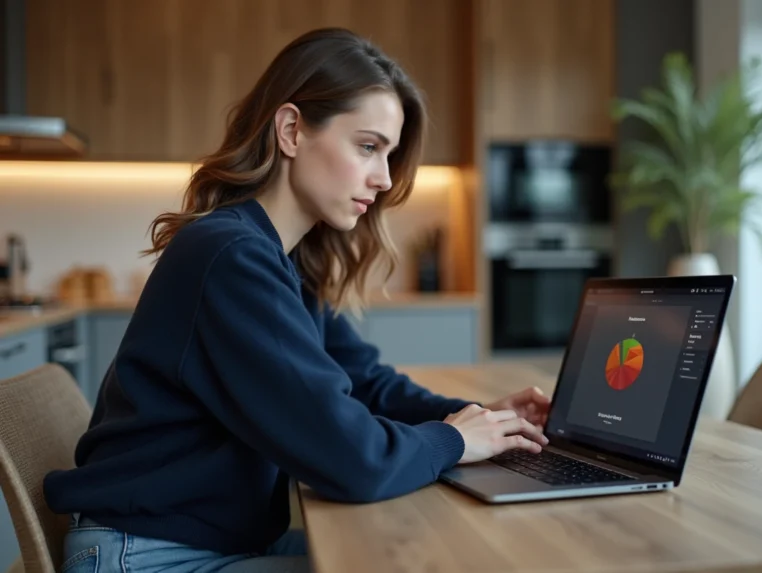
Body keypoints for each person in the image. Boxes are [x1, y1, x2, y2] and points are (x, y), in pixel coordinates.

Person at [43, 27, 551, 573]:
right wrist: (452, 440)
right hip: (145, 558)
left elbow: (366, 384)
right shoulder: (231, 257)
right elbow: (352, 459)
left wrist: (475, 419)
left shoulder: (273, 260)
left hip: (199, 544)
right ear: (290, 130)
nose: (383, 178)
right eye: (367, 147)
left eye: (389, 154)